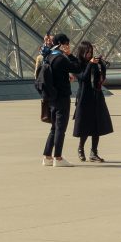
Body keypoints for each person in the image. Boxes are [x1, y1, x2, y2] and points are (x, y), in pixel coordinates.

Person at [40, 33, 83, 167]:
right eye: (67, 44)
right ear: (62, 44)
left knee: (54, 128)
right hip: (62, 97)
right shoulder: (61, 58)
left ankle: (47, 157)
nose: (68, 46)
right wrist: (70, 55)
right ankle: (58, 158)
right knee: (60, 128)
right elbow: (77, 67)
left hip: (51, 97)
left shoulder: (48, 57)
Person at [71, 41, 112, 162]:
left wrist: (102, 65)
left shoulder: (94, 64)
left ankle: (94, 152)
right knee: (85, 125)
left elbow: (101, 78)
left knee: (97, 125)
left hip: (96, 96)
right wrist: (89, 64)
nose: (89, 54)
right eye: (87, 52)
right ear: (82, 51)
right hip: (84, 97)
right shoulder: (77, 64)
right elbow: (83, 77)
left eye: (90, 52)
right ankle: (80, 148)